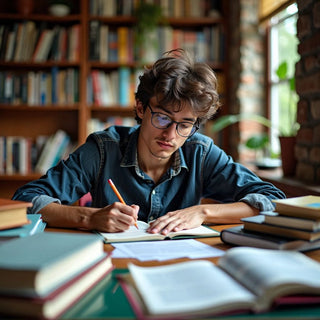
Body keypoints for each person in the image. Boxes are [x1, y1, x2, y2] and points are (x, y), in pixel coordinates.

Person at [13, 49, 285, 235]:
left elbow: (272, 200)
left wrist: (203, 211)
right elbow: (27, 200)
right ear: (141, 109)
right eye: (163, 118)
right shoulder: (103, 149)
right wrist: (90, 217)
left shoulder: (200, 152)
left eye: (185, 124)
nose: (171, 135)